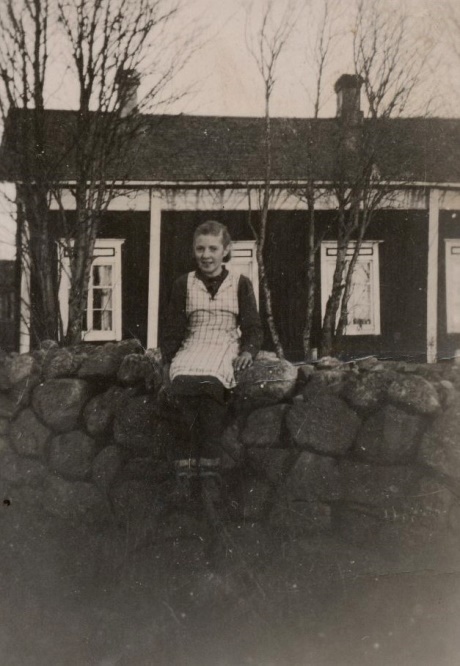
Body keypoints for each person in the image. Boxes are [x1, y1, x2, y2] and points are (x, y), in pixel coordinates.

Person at [161, 221, 262, 504]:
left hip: (223, 344)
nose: (206, 255)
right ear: (194, 251)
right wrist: (168, 361)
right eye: (200, 248)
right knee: (182, 386)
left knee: (210, 388)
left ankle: (209, 477)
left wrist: (248, 352)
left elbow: (253, 327)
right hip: (193, 343)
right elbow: (173, 328)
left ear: (225, 250)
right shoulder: (184, 284)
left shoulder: (240, 283)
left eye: (213, 249)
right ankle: (184, 475)